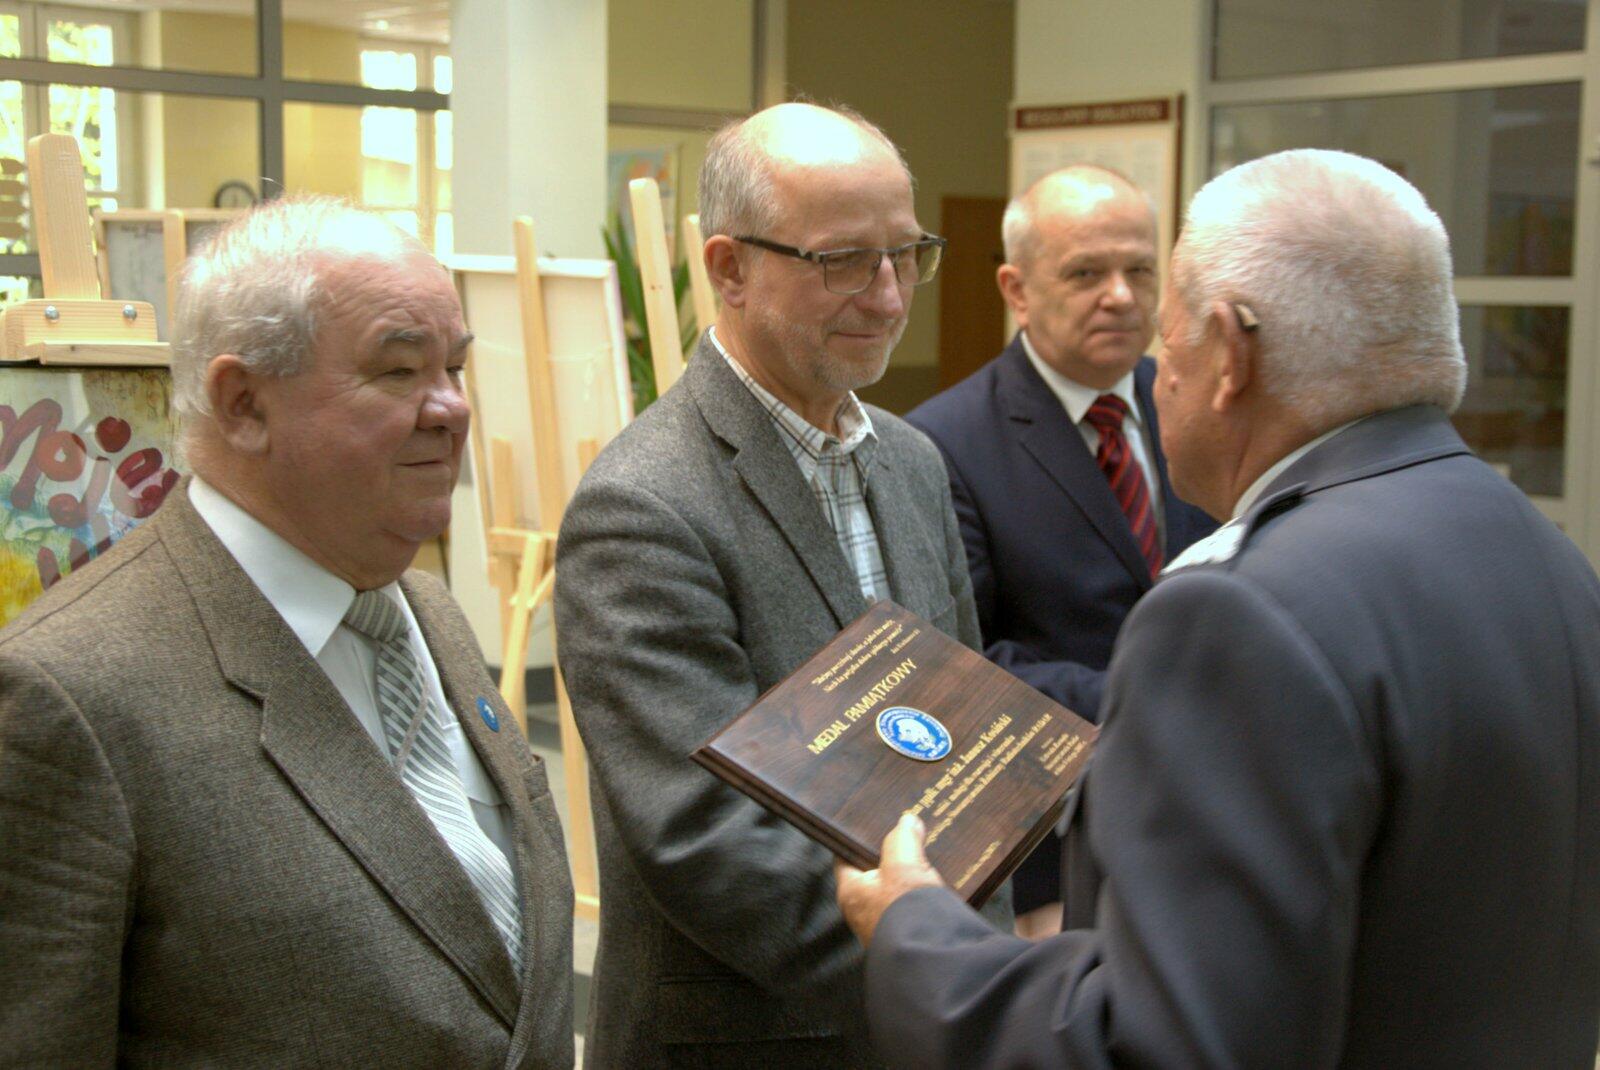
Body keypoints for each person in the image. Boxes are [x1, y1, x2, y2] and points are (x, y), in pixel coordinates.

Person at [835, 149, 1600, 1068]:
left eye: (1170, 341)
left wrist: (919, 936)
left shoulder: (1239, 619)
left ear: (1231, 355)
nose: (1158, 376)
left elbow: (1159, 1046)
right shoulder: (1543, 553)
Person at [0, 197, 575, 1068]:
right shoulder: (68, 698)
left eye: (455, 367)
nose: (451, 409)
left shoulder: (431, 617)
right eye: (399, 371)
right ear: (242, 405)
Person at [554, 102, 1010, 1069]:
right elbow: (704, 839)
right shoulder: (642, 505)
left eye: (906, 255)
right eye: (844, 260)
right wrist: (947, 969)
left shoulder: (914, 463)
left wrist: (976, 965)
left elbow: (976, 747)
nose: (888, 297)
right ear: (729, 269)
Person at [906, 165, 1213, 934]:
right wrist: (1154, 693)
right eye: (1085, 273)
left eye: (1140, 270)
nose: (1121, 296)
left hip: (1208, 819)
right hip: (1057, 848)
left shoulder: (1201, 406)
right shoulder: (942, 445)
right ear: (1015, 289)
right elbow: (961, 661)